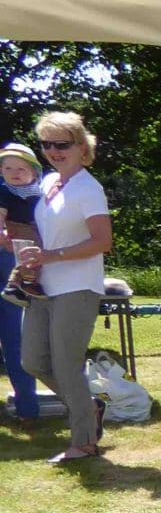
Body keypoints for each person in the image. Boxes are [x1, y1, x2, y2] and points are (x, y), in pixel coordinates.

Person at [16, 113, 112, 464]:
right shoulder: (48, 183)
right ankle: (89, 406)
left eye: (62, 144)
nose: (53, 151)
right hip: (44, 286)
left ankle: (84, 443)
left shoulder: (88, 188)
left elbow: (102, 241)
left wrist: (51, 256)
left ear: (81, 147)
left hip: (78, 286)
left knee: (67, 365)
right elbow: (46, 233)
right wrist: (28, 253)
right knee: (32, 360)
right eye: (46, 144)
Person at [0, 141, 43, 421]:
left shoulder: (43, 194)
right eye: (8, 168)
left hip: (15, 262)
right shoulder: (3, 191)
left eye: (21, 168)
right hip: (9, 255)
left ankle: (28, 408)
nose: (14, 173)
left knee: (15, 337)